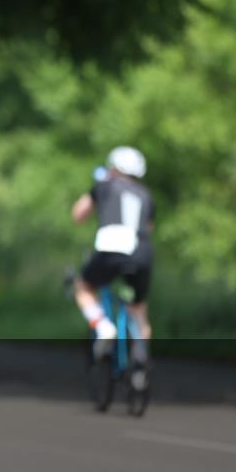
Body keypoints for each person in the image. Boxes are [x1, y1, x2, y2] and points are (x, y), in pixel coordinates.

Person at [70, 146, 155, 377]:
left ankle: (102, 326)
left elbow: (78, 213)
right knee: (138, 307)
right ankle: (140, 360)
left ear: (114, 167)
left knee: (83, 286)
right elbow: (148, 228)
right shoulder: (146, 195)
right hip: (142, 252)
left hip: (110, 248)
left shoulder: (105, 184)